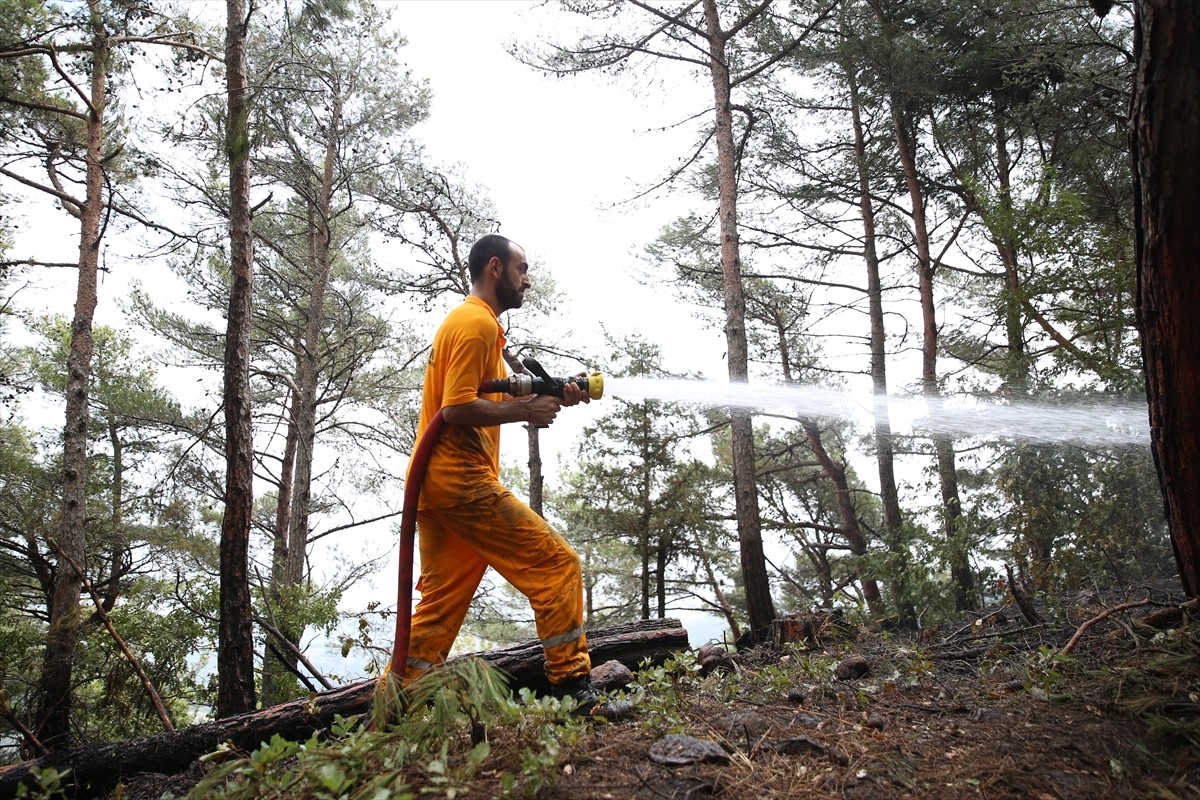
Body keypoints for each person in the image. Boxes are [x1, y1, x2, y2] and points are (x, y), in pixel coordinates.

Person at [402, 233, 602, 711]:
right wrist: (526, 412)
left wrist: (553, 393)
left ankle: (397, 708)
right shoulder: (475, 323)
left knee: (439, 608)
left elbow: (486, 392)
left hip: (437, 487)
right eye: (521, 269)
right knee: (556, 566)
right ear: (495, 268)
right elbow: (455, 409)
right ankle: (573, 691)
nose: (527, 280)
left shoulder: (474, 324)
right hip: (461, 482)